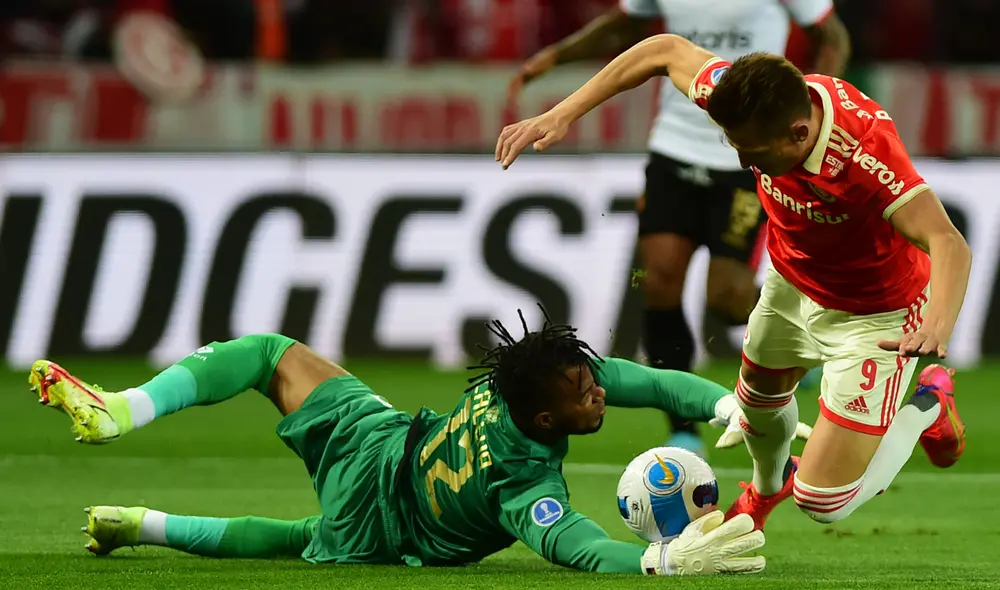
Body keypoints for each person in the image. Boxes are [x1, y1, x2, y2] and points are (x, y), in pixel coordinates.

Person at [495, 35, 971, 531]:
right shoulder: (749, 96)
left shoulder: (866, 158)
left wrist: (936, 326)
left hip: (874, 315)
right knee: (756, 406)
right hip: (792, 284)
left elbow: (948, 241)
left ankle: (930, 405)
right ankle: (765, 491)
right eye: (736, 147)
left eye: (755, 152)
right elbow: (663, 51)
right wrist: (562, 113)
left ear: (799, 133)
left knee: (823, 502)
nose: (745, 164)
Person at [28, 309, 812, 575]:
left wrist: (732, 405)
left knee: (269, 354)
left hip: (380, 440)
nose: (599, 392)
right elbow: (575, 545)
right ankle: (143, 519)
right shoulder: (521, 482)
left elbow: (656, 384)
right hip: (383, 524)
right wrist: (656, 560)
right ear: (547, 423)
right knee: (302, 540)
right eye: (585, 394)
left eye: (591, 380)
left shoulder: (519, 378)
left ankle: (126, 416)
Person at [506, 0, 851, 456]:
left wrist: (808, 113)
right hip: (674, 150)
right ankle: (683, 429)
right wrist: (556, 56)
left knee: (728, 300)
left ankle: (799, 339)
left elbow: (833, 36)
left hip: (747, 156)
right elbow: (626, 29)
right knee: (659, 284)